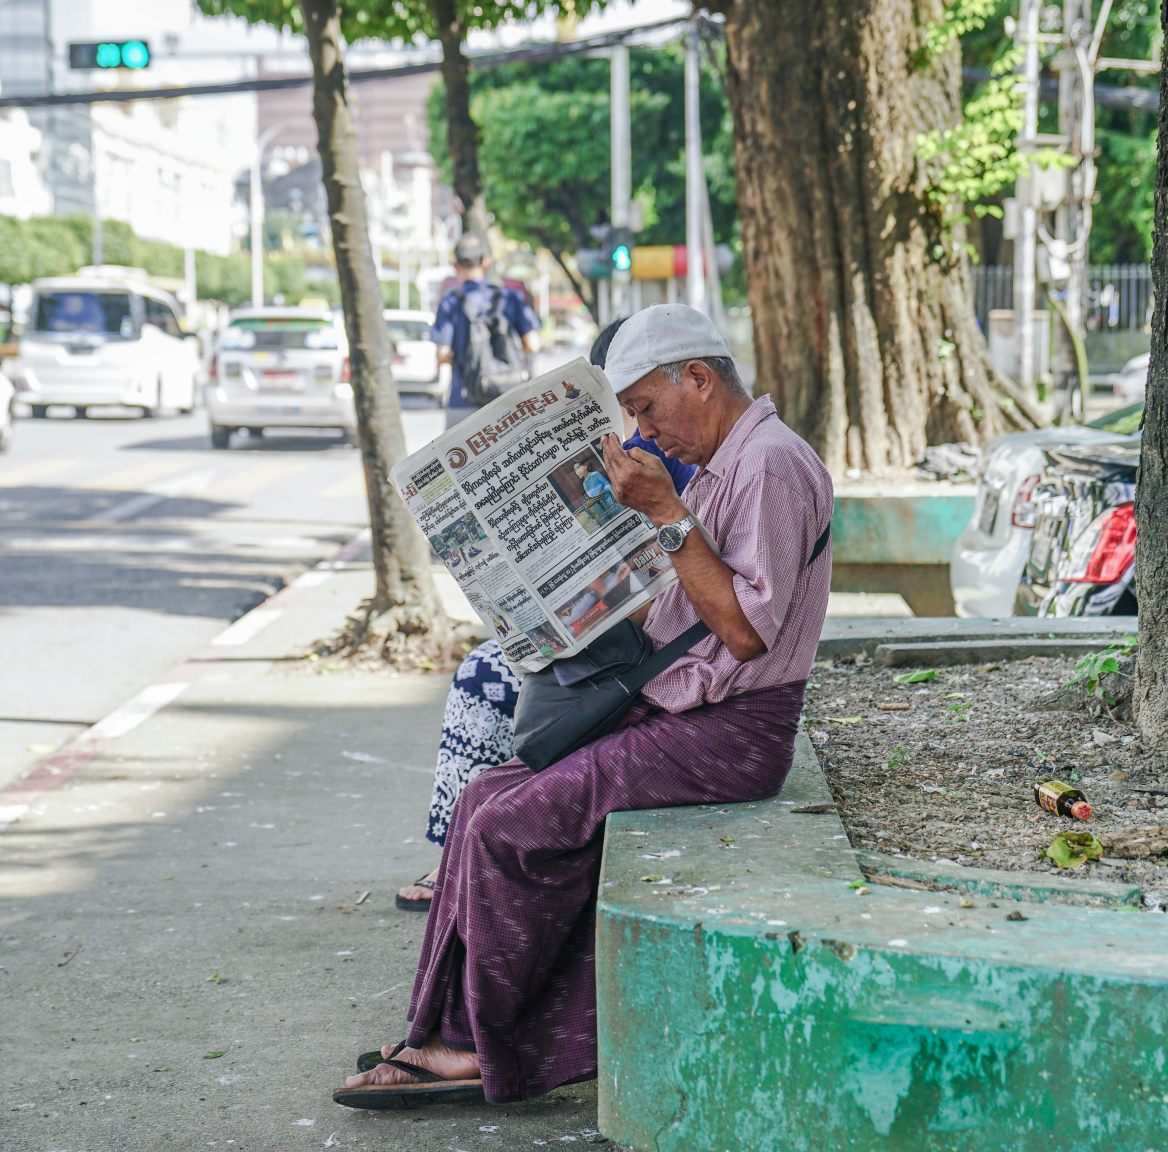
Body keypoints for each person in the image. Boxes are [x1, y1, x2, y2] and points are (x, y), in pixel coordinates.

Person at [340, 304, 834, 1109]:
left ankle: (471, 1047)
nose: (642, 428)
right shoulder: (731, 461)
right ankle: (438, 1025)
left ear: (699, 379)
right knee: (481, 800)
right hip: (678, 707)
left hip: (731, 734)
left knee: (510, 828)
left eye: (644, 407)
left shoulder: (770, 463)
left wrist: (666, 514)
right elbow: (696, 605)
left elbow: (745, 632)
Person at [394, 318, 695, 913]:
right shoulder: (626, 448)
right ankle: (459, 846)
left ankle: (478, 845)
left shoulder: (680, 454)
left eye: (637, 404)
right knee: (484, 672)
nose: (637, 422)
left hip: (655, 639)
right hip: (594, 632)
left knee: (496, 684)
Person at [432, 233, 539, 428]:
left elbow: (442, 354)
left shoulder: (450, 302)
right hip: (508, 402)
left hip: (463, 400)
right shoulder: (510, 298)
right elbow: (533, 345)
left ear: (456, 265)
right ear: (486, 262)